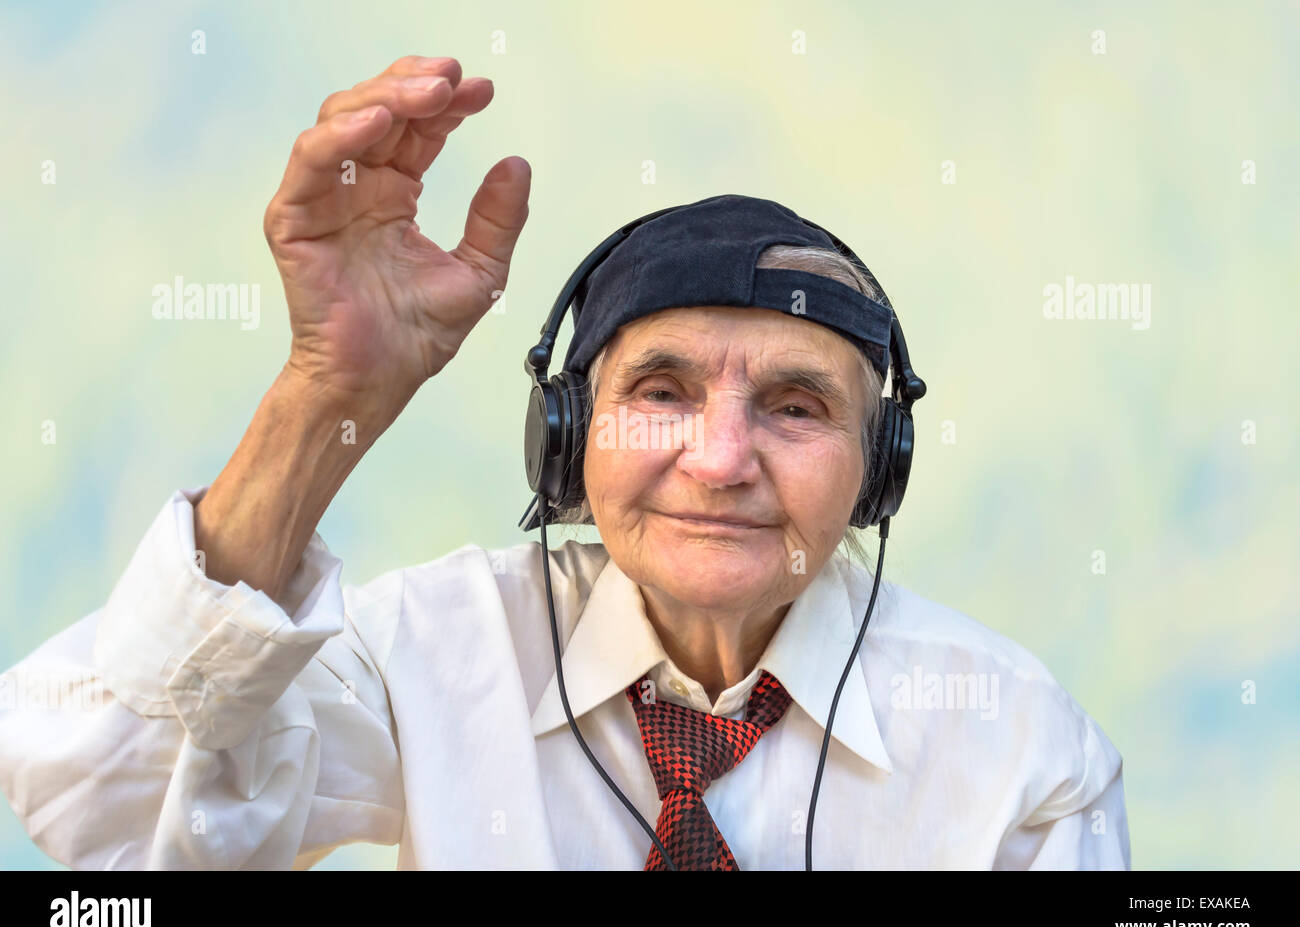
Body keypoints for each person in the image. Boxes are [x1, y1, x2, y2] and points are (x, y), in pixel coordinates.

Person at [0, 56, 1129, 870]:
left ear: (879, 467)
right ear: (565, 436)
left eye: (795, 407)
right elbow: (100, 800)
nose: (719, 459)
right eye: (661, 393)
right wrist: (324, 394)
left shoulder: (1019, 746)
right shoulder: (435, 650)